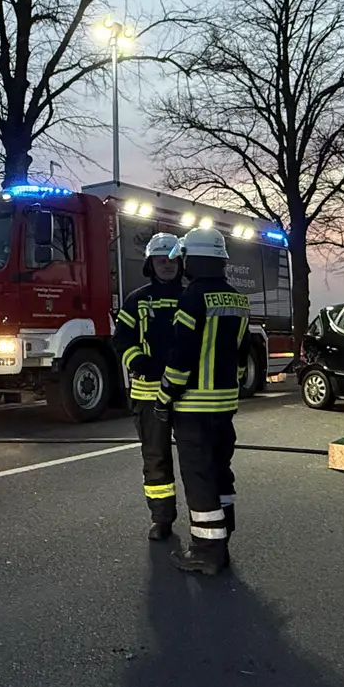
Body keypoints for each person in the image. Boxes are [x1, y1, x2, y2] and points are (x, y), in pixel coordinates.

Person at [154, 226, 249, 575]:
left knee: (199, 477)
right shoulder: (238, 299)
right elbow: (237, 353)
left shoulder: (192, 298)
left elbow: (182, 357)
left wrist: (164, 397)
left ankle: (207, 552)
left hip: (194, 406)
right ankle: (222, 538)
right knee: (221, 471)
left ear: (193, 259)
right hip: (225, 405)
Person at [110, 232, 185, 541]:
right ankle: (161, 518)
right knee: (155, 459)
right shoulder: (137, 299)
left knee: (196, 457)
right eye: (160, 259)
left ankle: (203, 518)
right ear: (150, 264)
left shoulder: (191, 296)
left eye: (171, 258)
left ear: (181, 263)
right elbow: (121, 340)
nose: (166, 264)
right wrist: (138, 361)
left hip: (187, 394)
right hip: (149, 394)